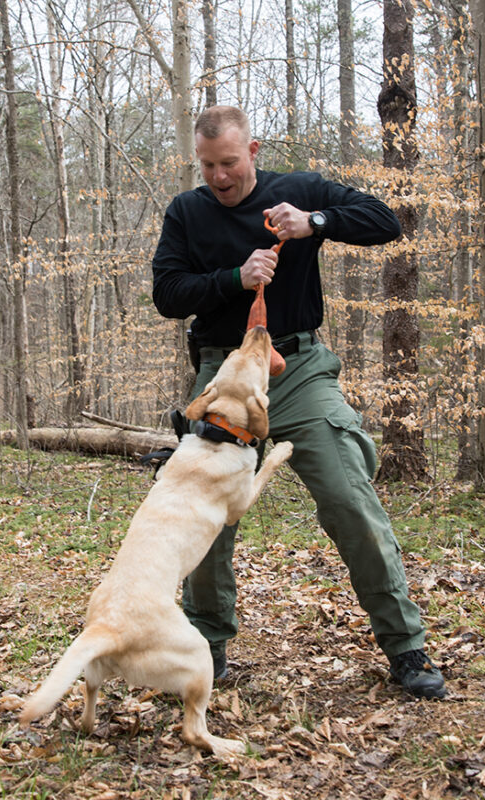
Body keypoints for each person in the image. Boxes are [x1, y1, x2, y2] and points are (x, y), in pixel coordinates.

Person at [151, 105, 445, 699]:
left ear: (253, 151)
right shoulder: (187, 211)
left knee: (347, 495)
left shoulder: (298, 192)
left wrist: (315, 220)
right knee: (204, 516)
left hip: (299, 368)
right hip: (223, 374)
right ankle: (208, 648)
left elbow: (384, 221)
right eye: (207, 165)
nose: (219, 177)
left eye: (229, 163)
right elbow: (167, 294)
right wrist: (234, 277)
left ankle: (405, 647)